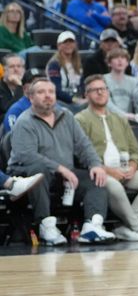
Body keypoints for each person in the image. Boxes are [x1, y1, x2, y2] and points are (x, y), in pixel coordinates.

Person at [7, 79, 114, 245]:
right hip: (27, 177)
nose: (47, 96)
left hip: (63, 175)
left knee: (96, 177)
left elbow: (83, 144)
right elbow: (26, 155)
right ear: (31, 97)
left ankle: (92, 226)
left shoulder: (66, 116)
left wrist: (95, 164)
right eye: (41, 92)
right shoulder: (24, 121)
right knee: (39, 169)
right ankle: (46, 225)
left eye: (51, 92)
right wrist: (60, 168)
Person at [76, 75, 138, 241]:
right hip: (101, 172)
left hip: (125, 170)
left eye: (103, 89)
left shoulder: (119, 119)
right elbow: (81, 153)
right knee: (113, 186)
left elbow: (134, 148)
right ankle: (137, 227)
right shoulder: (80, 119)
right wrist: (109, 171)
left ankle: (127, 227)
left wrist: (133, 166)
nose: (100, 93)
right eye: (94, 90)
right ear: (86, 95)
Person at [46, 31, 83, 106]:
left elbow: (82, 85)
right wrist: (73, 99)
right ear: (59, 45)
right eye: (65, 42)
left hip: (78, 98)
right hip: (60, 101)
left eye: (71, 42)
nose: (68, 45)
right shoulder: (54, 65)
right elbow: (56, 89)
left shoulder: (78, 64)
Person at [0, 54, 24, 122]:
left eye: (19, 66)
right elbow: (10, 111)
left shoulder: (29, 85)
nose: (16, 69)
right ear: (4, 70)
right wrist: (19, 86)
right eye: (11, 66)